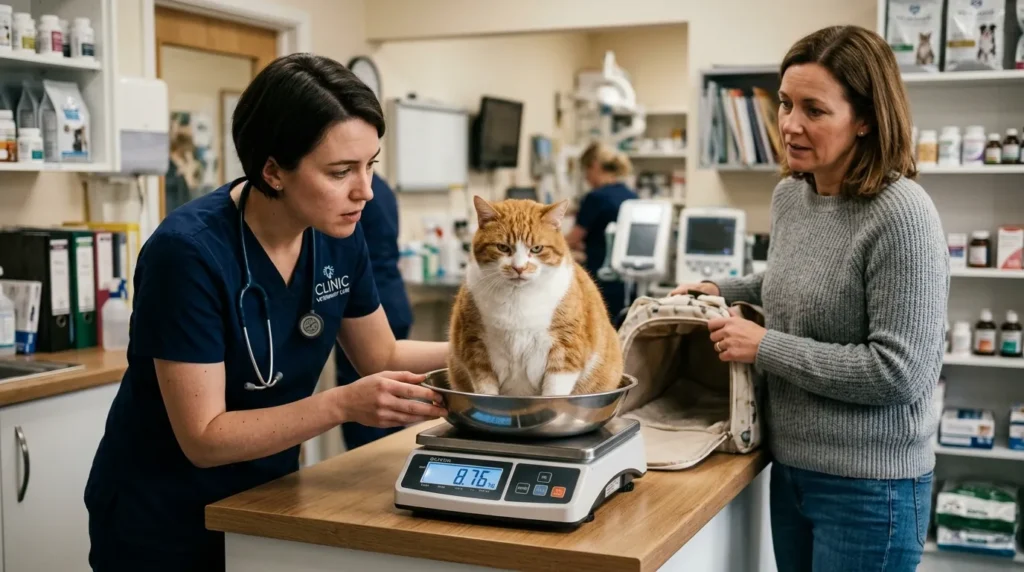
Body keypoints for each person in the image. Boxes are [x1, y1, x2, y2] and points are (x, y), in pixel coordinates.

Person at [84, 53, 449, 572]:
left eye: (371, 165)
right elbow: (204, 438)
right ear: (273, 171)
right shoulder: (187, 254)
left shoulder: (339, 233)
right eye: (341, 172)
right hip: (164, 520)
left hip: (266, 499)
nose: (365, 191)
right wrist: (342, 405)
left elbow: (381, 355)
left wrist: (493, 350)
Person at [672, 26, 948, 572]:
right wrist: (721, 290)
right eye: (785, 103)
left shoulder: (903, 215)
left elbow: (899, 373)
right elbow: (793, 285)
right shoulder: (792, 195)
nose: (790, 125)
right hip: (792, 471)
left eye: (814, 110)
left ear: (865, 118)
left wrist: (765, 347)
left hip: (871, 491)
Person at [334, 172, 415, 450]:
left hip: (373, 304)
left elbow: (380, 357)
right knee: (391, 400)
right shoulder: (381, 189)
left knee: (368, 410)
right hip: (394, 300)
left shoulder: (356, 195)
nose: (362, 192)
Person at [566, 141, 638, 321]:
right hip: (628, 282)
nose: (586, 178)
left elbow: (571, 240)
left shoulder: (595, 198)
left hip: (601, 278)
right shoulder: (630, 195)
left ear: (595, 166)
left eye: (586, 171)